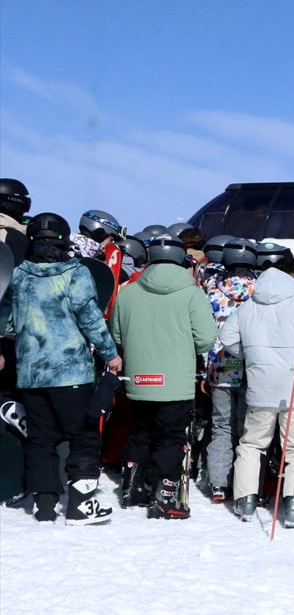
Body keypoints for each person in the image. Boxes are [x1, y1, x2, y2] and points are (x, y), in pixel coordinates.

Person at [1, 212, 122, 524]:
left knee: (41, 438)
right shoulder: (76, 274)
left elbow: (8, 320)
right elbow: (90, 318)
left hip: (31, 373)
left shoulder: (19, 276)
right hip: (71, 372)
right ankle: (81, 503)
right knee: (83, 434)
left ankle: (44, 504)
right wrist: (111, 353)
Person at [219, 257, 294, 526]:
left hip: (260, 385)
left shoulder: (248, 306)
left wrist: (252, 356)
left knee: (251, 444)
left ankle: (245, 501)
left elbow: (226, 338)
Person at [109, 235, 216, 520]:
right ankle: (165, 494)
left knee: (139, 430)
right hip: (176, 380)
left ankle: (132, 485)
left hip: (139, 379)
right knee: (170, 436)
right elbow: (206, 340)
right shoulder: (192, 293)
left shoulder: (128, 292)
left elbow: (117, 335)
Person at [199, 239, 257, 502]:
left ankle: (218, 483)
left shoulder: (212, 290)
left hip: (221, 364)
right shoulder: (261, 292)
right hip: (251, 364)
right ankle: (245, 485)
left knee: (221, 426)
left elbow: (204, 332)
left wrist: (204, 367)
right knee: (248, 429)